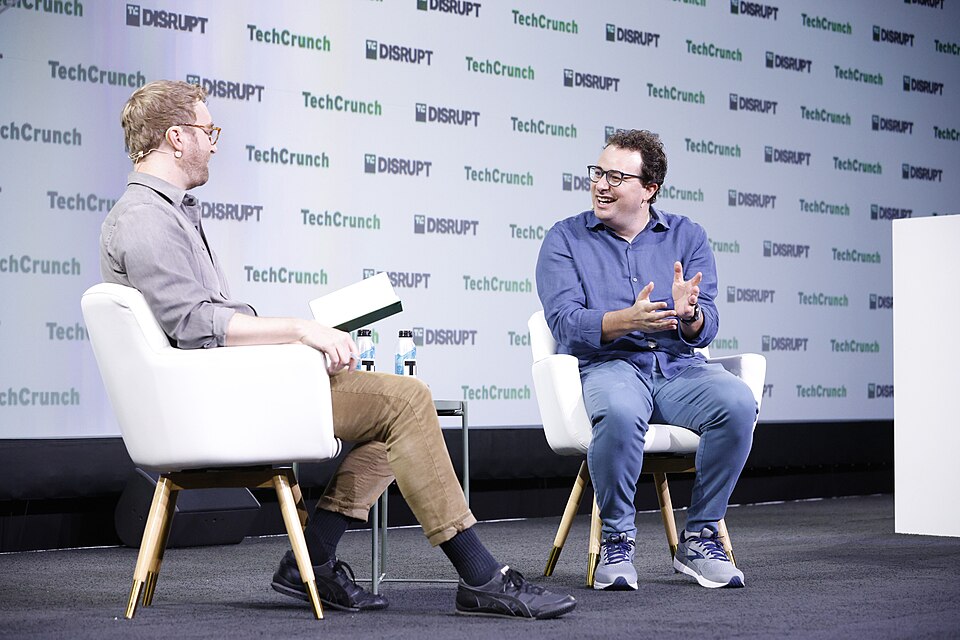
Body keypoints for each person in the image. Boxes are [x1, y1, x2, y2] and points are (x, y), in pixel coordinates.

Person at [101, 80, 575, 620]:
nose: (214, 142)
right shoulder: (146, 218)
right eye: (209, 131)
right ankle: (481, 576)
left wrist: (303, 336)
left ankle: (315, 560)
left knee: (397, 411)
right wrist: (300, 332)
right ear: (176, 137)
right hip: (213, 404)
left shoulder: (166, 211)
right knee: (407, 402)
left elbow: (200, 323)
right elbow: (194, 325)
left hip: (221, 388)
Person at [535, 129, 757, 590]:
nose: (601, 185)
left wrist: (690, 314)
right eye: (598, 173)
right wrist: (628, 320)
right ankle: (617, 539)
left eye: (616, 177)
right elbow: (564, 323)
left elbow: (706, 326)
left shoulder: (687, 236)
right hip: (609, 366)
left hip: (678, 368)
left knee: (738, 402)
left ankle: (700, 537)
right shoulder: (565, 239)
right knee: (619, 410)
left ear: (649, 189)